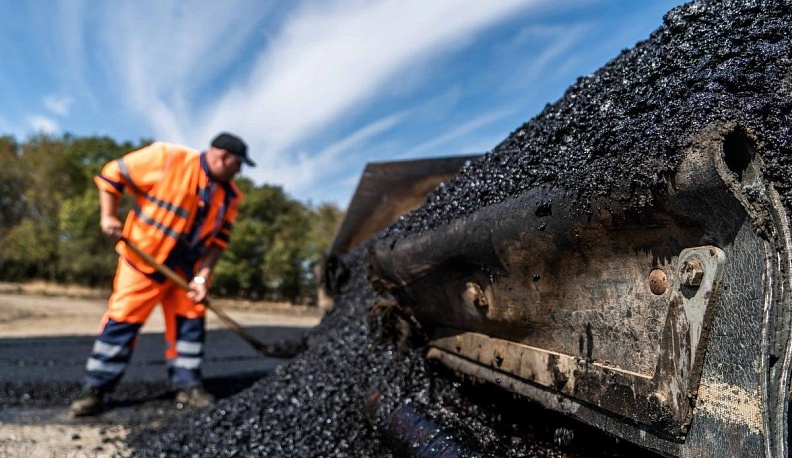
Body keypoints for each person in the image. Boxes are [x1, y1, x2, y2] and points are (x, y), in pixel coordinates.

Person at [69, 132, 255, 417]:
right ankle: (95, 388)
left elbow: (219, 243)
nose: (239, 171)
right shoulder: (168, 158)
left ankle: (188, 385)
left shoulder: (230, 196)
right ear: (223, 156)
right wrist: (108, 215)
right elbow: (112, 174)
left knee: (189, 327)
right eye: (238, 164)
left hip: (187, 274)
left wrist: (203, 277)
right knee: (122, 321)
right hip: (143, 262)